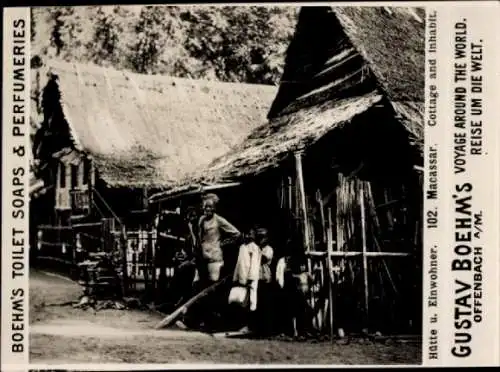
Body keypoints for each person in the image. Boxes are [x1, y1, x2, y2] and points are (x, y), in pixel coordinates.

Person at [197, 193, 241, 331]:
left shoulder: (219, 221)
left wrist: (223, 243)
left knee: (214, 291)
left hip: (215, 260)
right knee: (202, 289)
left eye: (210, 207)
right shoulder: (201, 221)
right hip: (203, 259)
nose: (207, 210)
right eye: (205, 207)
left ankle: (215, 323)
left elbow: (236, 233)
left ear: (214, 208)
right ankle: (204, 320)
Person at [228, 228, 260, 331]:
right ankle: (240, 325)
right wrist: (236, 277)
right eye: (246, 234)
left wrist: (250, 279)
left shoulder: (255, 248)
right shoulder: (242, 247)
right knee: (240, 301)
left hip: (250, 278)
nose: (248, 236)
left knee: (251, 301)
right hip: (241, 278)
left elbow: (254, 264)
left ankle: (250, 325)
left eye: (250, 234)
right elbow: (238, 264)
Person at [253, 227, 275, 336]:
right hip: (257, 278)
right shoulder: (257, 248)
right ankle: (258, 330)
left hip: (265, 279)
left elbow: (264, 259)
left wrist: (256, 250)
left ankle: (268, 330)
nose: (260, 239)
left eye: (262, 237)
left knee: (266, 306)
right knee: (257, 305)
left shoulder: (268, 249)